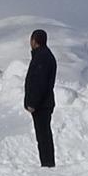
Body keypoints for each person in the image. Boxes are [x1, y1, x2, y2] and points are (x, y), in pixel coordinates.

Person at [24, 29, 58, 167]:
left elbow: (40, 83)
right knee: (43, 135)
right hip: (44, 103)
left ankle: (48, 164)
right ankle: (47, 163)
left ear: (34, 41)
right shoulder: (44, 55)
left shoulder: (42, 58)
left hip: (41, 105)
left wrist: (32, 103)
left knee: (43, 137)